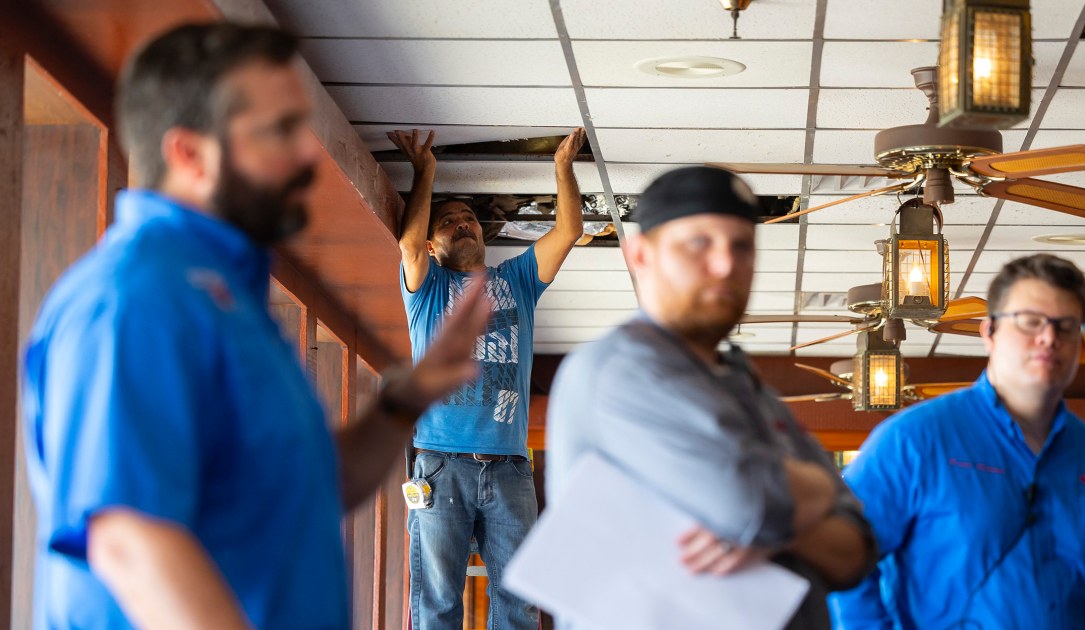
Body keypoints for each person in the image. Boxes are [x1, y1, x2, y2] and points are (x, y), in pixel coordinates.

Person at [21, 23, 492, 630]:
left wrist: (407, 399)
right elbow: (131, 542)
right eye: (279, 132)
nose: (304, 155)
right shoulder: (135, 297)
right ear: (188, 153)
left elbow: (311, 488)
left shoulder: (226, 299)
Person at [546, 166, 877, 628]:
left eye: (741, 245)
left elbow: (857, 552)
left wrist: (778, 529)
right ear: (640, 255)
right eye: (699, 242)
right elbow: (751, 506)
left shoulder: (745, 383)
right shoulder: (621, 370)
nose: (725, 265)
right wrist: (819, 491)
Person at [829, 253, 1085, 629]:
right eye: (1030, 321)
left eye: (1066, 326)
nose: (1049, 337)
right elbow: (841, 562)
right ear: (989, 332)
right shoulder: (913, 443)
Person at [389, 126, 586, 630]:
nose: (462, 224)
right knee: (438, 602)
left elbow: (567, 232)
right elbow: (407, 243)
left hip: (510, 468)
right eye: (448, 221)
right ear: (434, 245)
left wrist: (562, 168)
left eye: (469, 218)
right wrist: (425, 171)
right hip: (441, 463)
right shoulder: (427, 291)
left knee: (519, 602)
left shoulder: (515, 281)